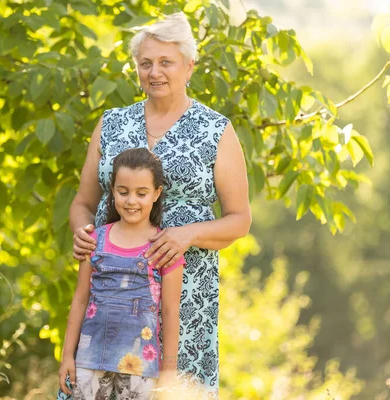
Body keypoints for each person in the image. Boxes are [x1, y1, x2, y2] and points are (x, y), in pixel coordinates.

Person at [69, 12, 251, 397]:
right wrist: (83, 233)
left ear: (189, 66)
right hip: (110, 293)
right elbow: (84, 202)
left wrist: (188, 234)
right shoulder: (112, 123)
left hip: (185, 297)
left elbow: (240, 220)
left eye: (166, 62)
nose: (155, 72)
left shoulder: (216, 130)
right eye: (145, 63)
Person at [58, 148, 184, 399]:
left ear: (157, 193)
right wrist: (66, 357)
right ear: (112, 189)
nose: (131, 201)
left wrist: (169, 372)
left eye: (141, 193)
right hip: (89, 360)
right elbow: (80, 299)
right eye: (123, 192)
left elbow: (170, 311)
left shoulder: (165, 248)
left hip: (140, 366)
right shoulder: (94, 240)